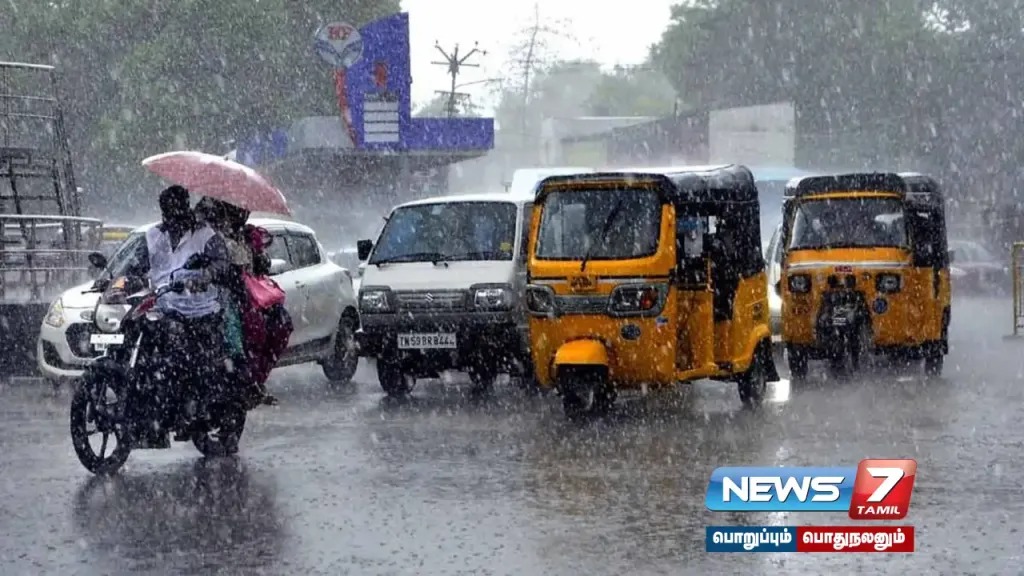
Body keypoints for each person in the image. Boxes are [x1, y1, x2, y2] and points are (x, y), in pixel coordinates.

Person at [146, 186, 232, 426]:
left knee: (189, 358)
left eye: (176, 210)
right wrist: (116, 279)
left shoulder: (206, 235)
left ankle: (195, 404)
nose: (172, 217)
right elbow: (136, 264)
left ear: (185, 208)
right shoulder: (153, 235)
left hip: (199, 309)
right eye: (167, 211)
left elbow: (222, 263)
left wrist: (205, 275)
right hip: (163, 305)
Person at [196, 196, 282, 407]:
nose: (244, 214)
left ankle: (252, 380)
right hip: (214, 295)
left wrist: (256, 253)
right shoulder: (205, 235)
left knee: (272, 327)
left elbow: (256, 264)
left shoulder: (244, 235)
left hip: (242, 296)